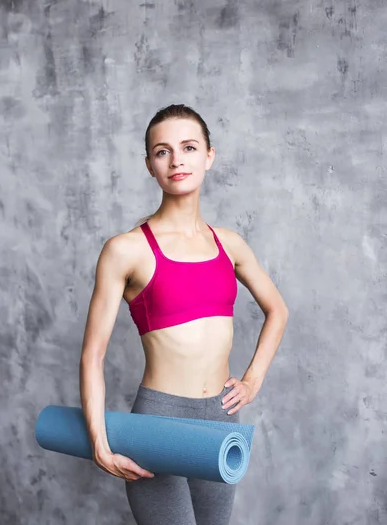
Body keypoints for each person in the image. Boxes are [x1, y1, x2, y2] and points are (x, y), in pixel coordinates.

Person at [79, 103, 289, 525]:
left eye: (189, 147)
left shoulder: (230, 244)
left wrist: (251, 381)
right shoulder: (126, 249)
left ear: (209, 156)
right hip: (159, 418)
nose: (177, 160)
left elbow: (277, 310)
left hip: (221, 415)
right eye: (162, 151)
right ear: (149, 165)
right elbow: (92, 357)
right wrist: (100, 443)